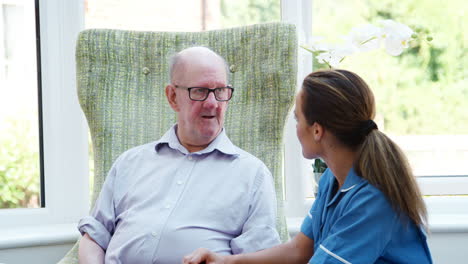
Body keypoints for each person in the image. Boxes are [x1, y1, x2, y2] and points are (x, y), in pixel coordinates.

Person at [183, 69, 433, 264]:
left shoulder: (373, 201)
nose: (295, 128)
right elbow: (299, 251)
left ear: (316, 130)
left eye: (297, 118)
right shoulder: (332, 180)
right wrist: (226, 260)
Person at [78, 47, 281, 263]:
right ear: (172, 97)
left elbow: (260, 259)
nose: (212, 103)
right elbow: (94, 236)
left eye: (220, 91)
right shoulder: (130, 162)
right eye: (200, 91)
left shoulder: (253, 175)